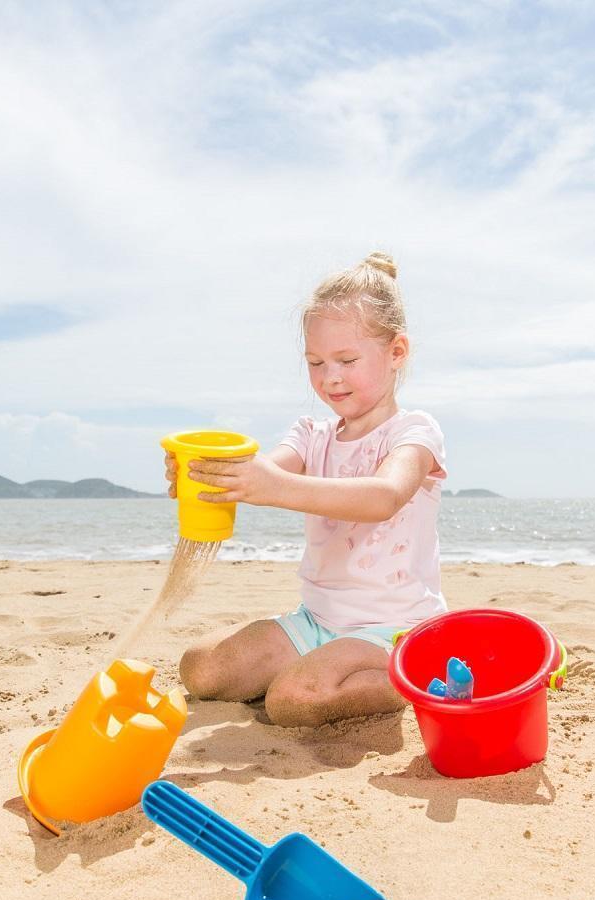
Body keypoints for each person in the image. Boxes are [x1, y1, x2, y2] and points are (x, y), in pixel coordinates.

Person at [164, 251, 447, 727]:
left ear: (396, 352)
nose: (329, 376)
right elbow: (263, 470)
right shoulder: (311, 435)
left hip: (393, 630)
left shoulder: (414, 433)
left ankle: (408, 678)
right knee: (201, 669)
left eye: (346, 360)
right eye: (315, 362)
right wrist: (211, 474)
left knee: (294, 699)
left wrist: (272, 486)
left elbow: (384, 496)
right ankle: (319, 662)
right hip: (315, 622)